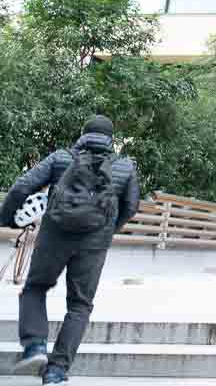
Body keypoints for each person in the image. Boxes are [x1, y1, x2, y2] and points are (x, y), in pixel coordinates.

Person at [0, 115, 139, 384]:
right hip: (95, 244)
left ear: (84, 133)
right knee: (79, 305)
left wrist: (5, 217)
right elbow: (131, 206)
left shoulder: (61, 158)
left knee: (35, 287)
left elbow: (22, 186)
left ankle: (35, 346)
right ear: (111, 140)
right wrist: (108, 229)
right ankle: (56, 371)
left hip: (55, 236)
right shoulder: (124, 167)